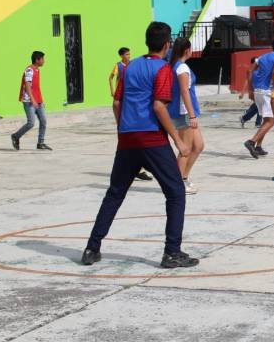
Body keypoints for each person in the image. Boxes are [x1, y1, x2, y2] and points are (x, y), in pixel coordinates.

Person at [81, 22, 198, 268]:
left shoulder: (130, 67)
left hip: (127, 138)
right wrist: (178, 141)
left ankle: (92, 248)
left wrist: (121, 129)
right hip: (152, 139)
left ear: (147, 42)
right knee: (176, 192)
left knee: (115, 193)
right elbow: (158, 106)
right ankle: (171, 252)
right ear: (167, 45)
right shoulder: (163, 69)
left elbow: (116, 103)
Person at [110, 47, 154, 182]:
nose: (129, 56)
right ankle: (136, 169)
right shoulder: (120, 67)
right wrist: (113, 91)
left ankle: (135, 168)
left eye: (130, 54)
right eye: (127, 54)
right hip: (124, 103)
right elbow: (111, 78)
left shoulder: (132, 67)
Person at [168, 37, 204, 195]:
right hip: (184, 113)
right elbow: (184, 91)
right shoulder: (182, 68)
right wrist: (192, 115)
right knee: (186, 149)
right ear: (186, 50)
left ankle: (183, 177)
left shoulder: (177, 65)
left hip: (186, 112)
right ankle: (176, 184)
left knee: (198, 146)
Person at [244, 38, 274, 158]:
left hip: (257, 91)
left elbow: (249, 70)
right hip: (266, 91)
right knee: (271, 121)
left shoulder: (262, 57)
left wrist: (250, 89)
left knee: (265, 120)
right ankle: (251, 142)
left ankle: (258, 146)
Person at [11, 51, 51, 151]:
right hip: (29, 101)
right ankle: (16, 136)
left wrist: (41, 100)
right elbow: (27, 85)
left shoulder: (37, 70)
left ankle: (40, 143)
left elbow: (36, 87)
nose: (44, 61)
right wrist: (33, 100)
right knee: (31, 123)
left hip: (38, 101)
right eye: (42, 59)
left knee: (43, 121)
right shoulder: (29, 70)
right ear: (37, 60)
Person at [239, 57, 263, 129]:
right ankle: (256, 122)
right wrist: (243, 92)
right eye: (256, 63)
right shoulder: (250, 71)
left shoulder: (260, 70)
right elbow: (247, 81)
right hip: (254, 91)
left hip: (259, 90)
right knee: (260, 106)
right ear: (253, 63)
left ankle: (244, 118)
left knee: (259, 106)